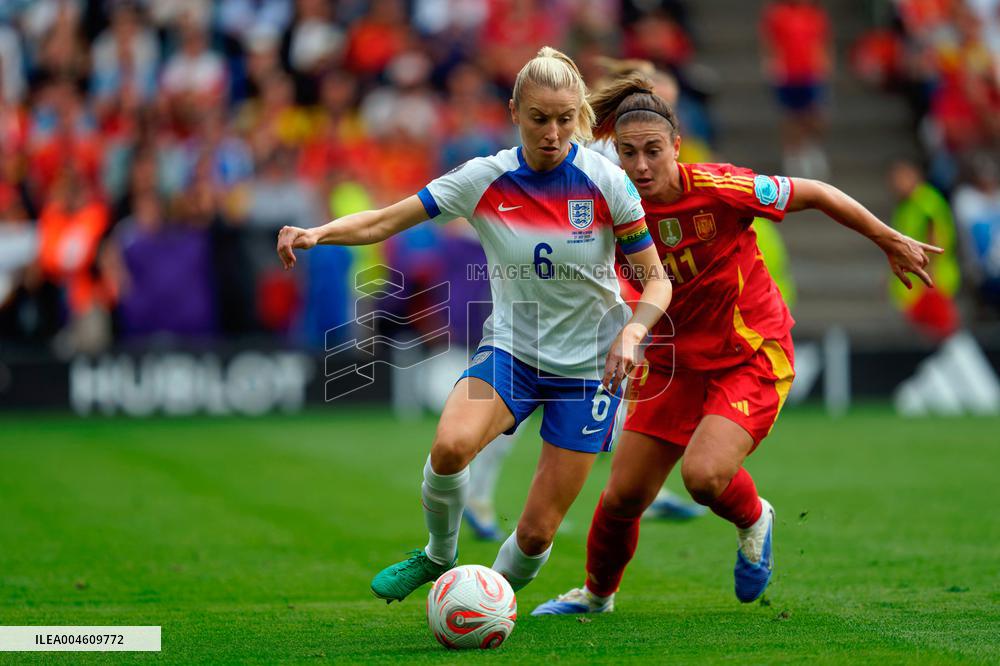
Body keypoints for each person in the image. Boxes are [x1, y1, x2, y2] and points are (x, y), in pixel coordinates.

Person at [532, 76, 942, 614]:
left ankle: (754, 519)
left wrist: (888, 238)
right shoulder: (611, 209)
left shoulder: (721, 187)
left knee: (703, 477)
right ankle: (596, 595)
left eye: (653, 151)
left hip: (748, 355)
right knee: (624, 494)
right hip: (674, 363)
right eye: (628, 153)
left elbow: (817, 193)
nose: (641, 166)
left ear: (676, 147)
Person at [276, 47, 672, 602]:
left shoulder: (607, 182)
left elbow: (657, 280)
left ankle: (486, 603)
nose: (553, 133)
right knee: (449, 447)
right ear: (514, 111)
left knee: (535, 534)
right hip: (512, 352)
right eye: (539, 119)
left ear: (578, 115)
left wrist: (632, 331)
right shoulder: (484, 178)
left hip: (590, 372)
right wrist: (318, 233)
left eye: (565, 119)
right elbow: (385, 220)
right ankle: (437, 554)